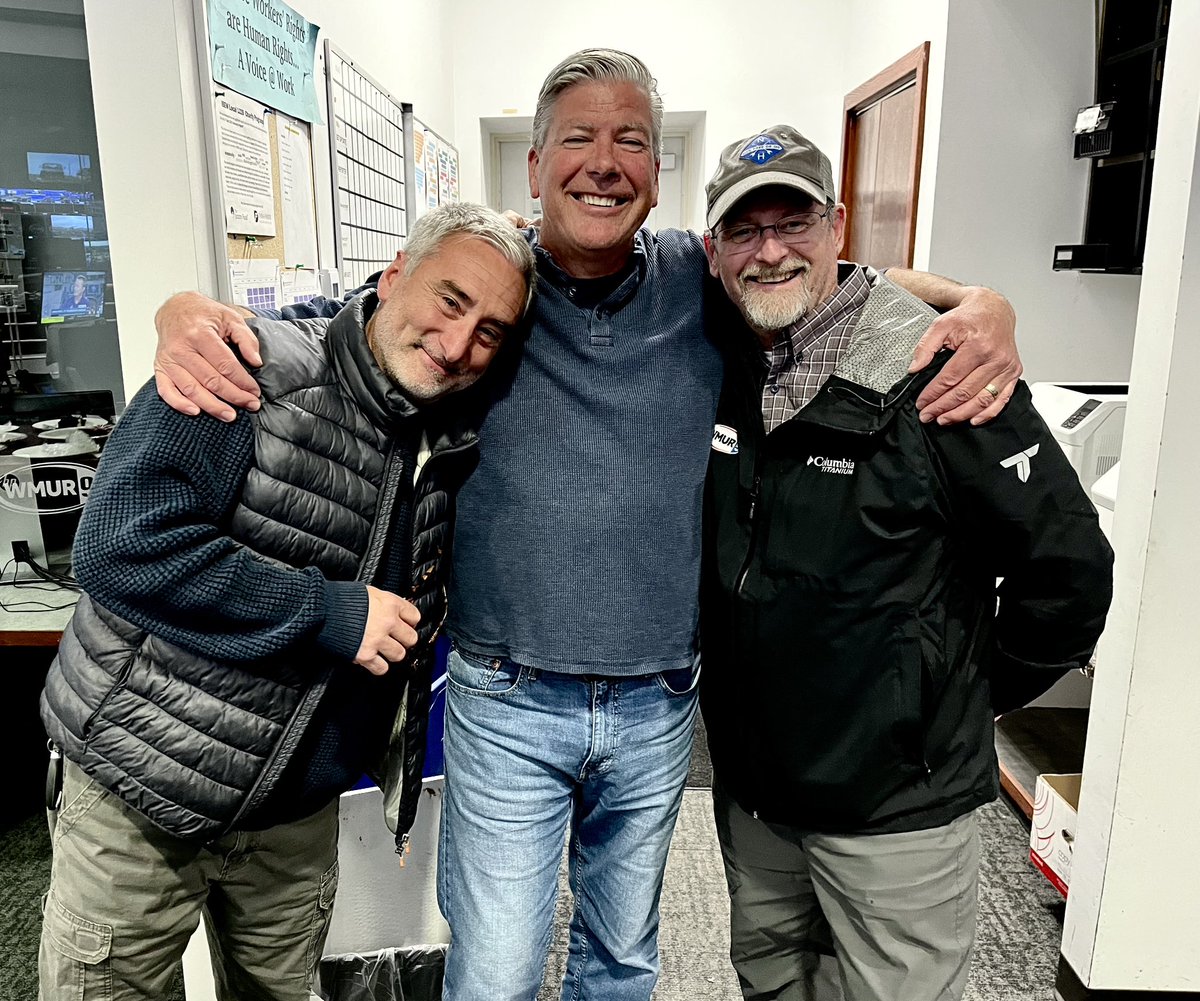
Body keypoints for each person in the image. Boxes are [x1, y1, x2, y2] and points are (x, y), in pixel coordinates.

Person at [152, 50, 1023, 1001]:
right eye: (578, 137)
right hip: (506, 698)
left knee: (622, 964)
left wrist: (984, 303)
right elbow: (356, 322)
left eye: (631, 140)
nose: (603, 162)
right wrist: (185, 309)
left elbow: (834, 279)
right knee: (495, 974)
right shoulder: (491, 287)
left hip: (656, 708)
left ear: (657, 177)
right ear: (534, 167)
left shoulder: (705, 274)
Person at [37, 203, 534, 1001]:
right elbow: (120, 545)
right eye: (449, 300)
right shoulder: (242, 367)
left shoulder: (450, 429)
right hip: (142, 795)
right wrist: (329, 612)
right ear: (395, 272)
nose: (457, 344)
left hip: (295, 818)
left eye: (489, 329)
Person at [699, 125, 1113, 1001]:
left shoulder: (941, 366)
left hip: (896, 814)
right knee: (771, 982)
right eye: (745, 229)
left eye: (794, 223)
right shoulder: (719, 349)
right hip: (757, 798)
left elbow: (1070, 570)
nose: (770, 250)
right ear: (714, 249)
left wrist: (948, 696)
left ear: (839, 226)